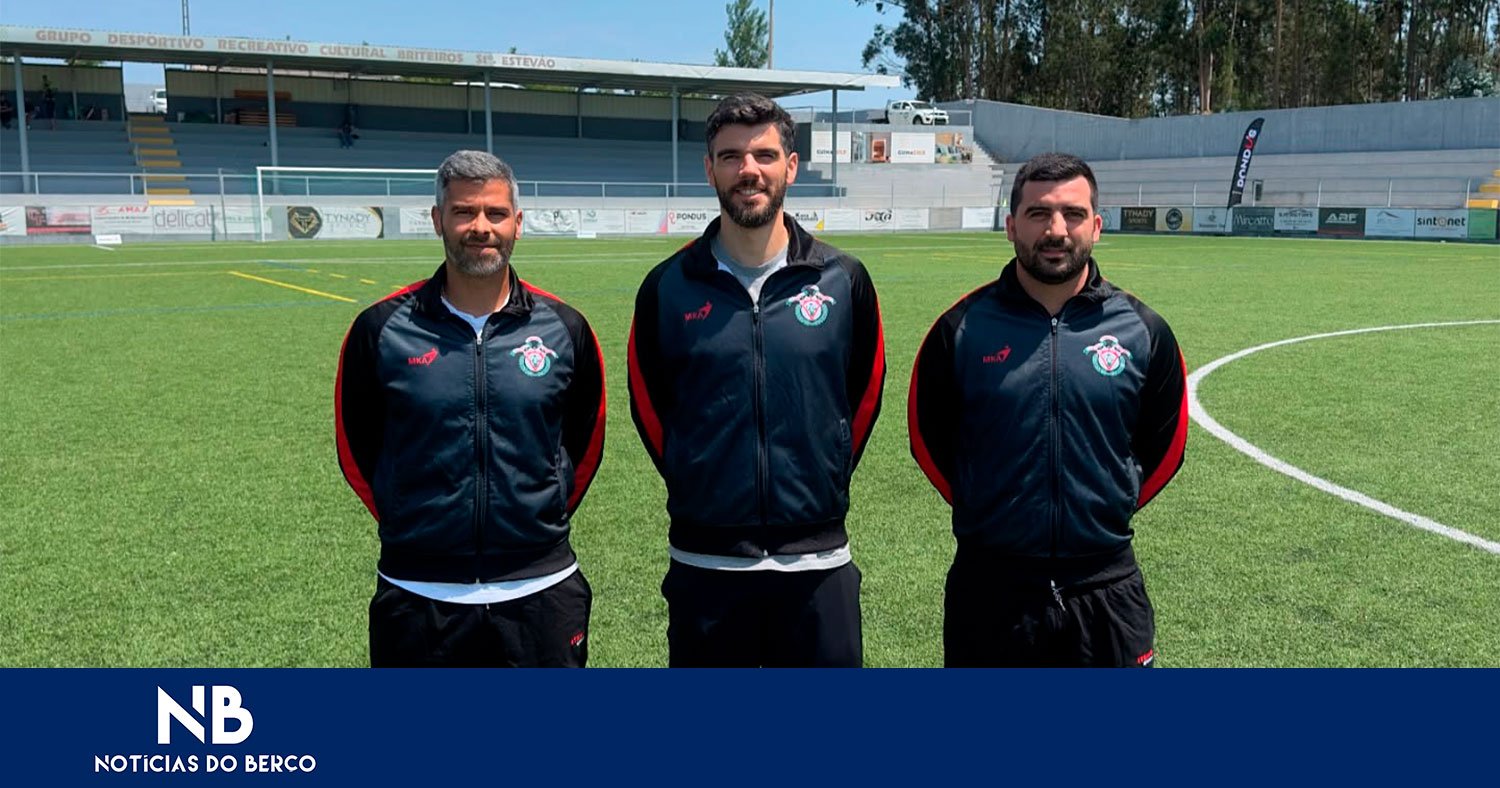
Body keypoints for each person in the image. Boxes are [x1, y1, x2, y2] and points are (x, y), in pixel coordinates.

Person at [628, 93, 886, 667]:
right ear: (710, 169)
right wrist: (700, 476)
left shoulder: (843, 279)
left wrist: (824, 466)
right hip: (706, 563)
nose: (750, 170)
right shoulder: (668, 287)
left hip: (817, 563)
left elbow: (864, 394)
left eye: (765, 155)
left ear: (791, 167)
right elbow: (648, 405)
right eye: (732, 156)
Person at [908, 152, 1188, 668]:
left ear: (1097, 226)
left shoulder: (1143, 330)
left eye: (1073, 214)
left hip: (1107, 586)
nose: (1056, 230)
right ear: (1011, 226)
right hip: (990, 589)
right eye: (1038, 214)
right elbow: (929, 441)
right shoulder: (960, 330)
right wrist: (990, 506)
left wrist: (1106, 501)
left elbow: (1165, 447)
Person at [336, 150, 606, 667]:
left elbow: (584, 441)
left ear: (518, 224)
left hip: (542, 590)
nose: (480, 227)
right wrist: (414, 523)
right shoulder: (381, 330)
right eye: (463, 212)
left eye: (495, 214)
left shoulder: (564, 328)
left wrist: (535, 515)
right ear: (438, 220)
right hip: (416, 594)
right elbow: (358, 448)